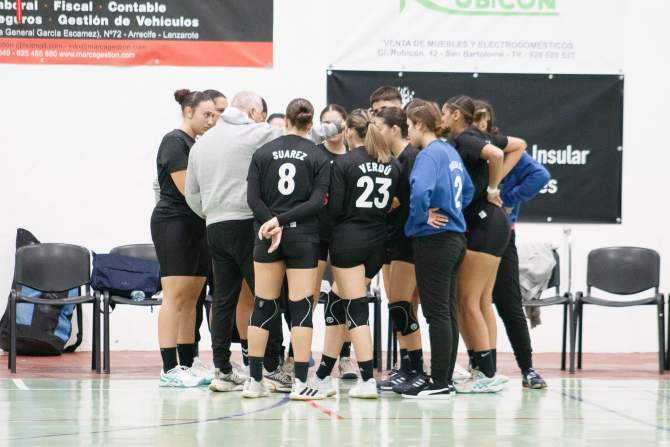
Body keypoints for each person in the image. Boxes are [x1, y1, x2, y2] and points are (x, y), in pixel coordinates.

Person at [185, 91, 342, 393]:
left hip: (218, 224)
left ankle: (229, 372)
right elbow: (305, 147)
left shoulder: (203, 142)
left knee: (227, 299)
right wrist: (340, 126)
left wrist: (212, 213)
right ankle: (281, 372)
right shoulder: (259, 135)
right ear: (253, 112)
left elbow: (193, 193)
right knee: (286, 304)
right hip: (262, 227)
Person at [243, 98, 331, 400]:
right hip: (303, 238)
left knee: (263, 305)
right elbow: (316, 202)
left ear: (287, 121)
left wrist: (272, 222)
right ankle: (301, 383)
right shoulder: (317, 155)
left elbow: (252, 199)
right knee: (302, 308)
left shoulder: (263, 152)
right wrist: (283, 221)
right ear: (310, 123)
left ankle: (254, 381)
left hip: (267, 236)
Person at [442, 95, 525, 393]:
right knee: (480, 300)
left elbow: (498, 154)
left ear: (455, 115)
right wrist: (494, 182)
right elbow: (519, 145)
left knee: (467, 300)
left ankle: (486, 373)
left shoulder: (466, 139)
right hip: (494, 222)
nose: (442, 118)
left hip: (485, 222)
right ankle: (484, 369)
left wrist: (492, 187)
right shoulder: (478, 135)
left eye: (444, 113)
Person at [317, 109, 400, 399]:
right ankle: (323, 373)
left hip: (349, 242)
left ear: (350, 132)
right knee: (337, 300)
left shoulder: (345, 162)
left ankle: (367, 379)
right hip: (377, 243)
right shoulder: (392, 163)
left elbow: (334, 209)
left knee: (355, 308)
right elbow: (396, 202)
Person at [397, 99, 473, 399]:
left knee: (437, 313)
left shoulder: (428, 155)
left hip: (434, 240)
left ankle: (439, 382)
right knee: (448, 312)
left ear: (419, 124)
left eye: (408, 126)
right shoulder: (450, 152)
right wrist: (451, 210)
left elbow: (419, 193)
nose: (407, 133)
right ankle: (445, 378)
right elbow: (468, 191)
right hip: (455, 238)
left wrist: (422, 217)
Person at [474, 100, 550, 389]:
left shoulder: (504, 148)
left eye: (484, 118)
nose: (480, 124)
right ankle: (482, 367)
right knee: (472, 301)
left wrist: (507, 198)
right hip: (469, 232)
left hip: (500, 232)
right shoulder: (466, 147)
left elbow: (540, 175)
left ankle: (528, 368)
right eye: (475, 118)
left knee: (508, 302)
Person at [151, 89, 216, 387]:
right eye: (206, 114)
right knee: (175, 296)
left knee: (191, 299)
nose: (211, 120)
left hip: (197, 224)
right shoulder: (174, 141)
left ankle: (187, 364)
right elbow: (188, 190)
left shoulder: (196, 144)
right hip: (174, 224)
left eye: (214, 115)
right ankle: (169, 369)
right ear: (188, 112)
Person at [371, 106, 425, 392]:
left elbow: (418, 198)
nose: (375, 132)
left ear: (394, 129)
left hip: (408, 241)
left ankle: (417, 368)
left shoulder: (413, 158)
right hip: (392, 240)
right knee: (397, 307)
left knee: (403, 306)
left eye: (379, 127)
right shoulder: (392, 160)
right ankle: (405, 366)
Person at [309, 104, 359, 382]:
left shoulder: (353, 157)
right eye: (325, 122)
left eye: (336, 122)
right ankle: (296, 355)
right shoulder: (314, 154)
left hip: (345, 235)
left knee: (345, 295)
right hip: (317, 233)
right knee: (310, 295)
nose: (332, 128)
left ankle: (345, 357)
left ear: (346, 125)